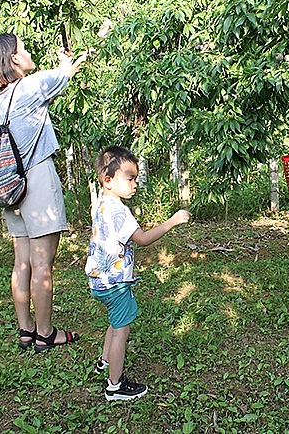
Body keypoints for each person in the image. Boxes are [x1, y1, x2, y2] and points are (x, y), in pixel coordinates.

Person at [0, 33, 88, 352]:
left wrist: (62, 68)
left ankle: (26, 330)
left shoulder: (1, 97)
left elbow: (47, 92)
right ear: (13, 59)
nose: (28, 53)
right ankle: (45, 333)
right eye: (23, 50)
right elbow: (63, 75)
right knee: (43, 264)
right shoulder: (29, 87)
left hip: (11, 184)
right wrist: (68, 62)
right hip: (37, 178)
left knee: (22, 262)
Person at [86, 146, 191, 401]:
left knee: (114, 320)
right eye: (130, 178)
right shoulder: (120, 211)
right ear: (108, 180)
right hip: (116, 284)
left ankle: (104, 360)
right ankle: (115, 385)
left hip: (99, 281)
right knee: (121, 329)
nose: (135, 184)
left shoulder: (102, 202)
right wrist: (172, 221)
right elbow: (142, 239)